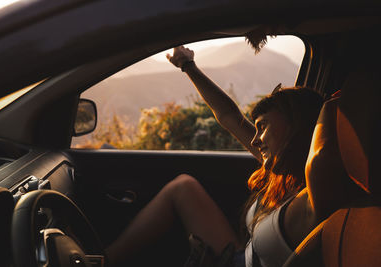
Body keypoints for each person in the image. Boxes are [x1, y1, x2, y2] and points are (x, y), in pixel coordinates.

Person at [106, 45, 345, 267]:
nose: (254, 139)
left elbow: (323, 154)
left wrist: (333, 108)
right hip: (243, 256)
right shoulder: (282, 169)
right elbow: (229, 116)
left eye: (262, 127)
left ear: (296, 127)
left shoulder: (315, 193)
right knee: (183, 187)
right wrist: (188, 66)